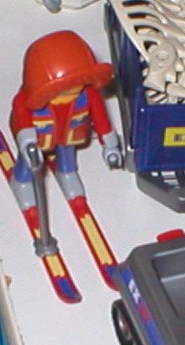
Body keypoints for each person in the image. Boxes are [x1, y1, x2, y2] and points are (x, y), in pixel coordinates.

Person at [8, 30, 122, 214]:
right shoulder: (27, 102)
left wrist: (109, 145)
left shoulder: (88, 95)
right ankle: (21, 182)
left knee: (67, 154)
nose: (74, 90)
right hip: (40, 139)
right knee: (28, 162)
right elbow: (22, 119)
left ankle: (67, 172)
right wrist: (28, 142)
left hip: (69, 136)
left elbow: (101, 119)